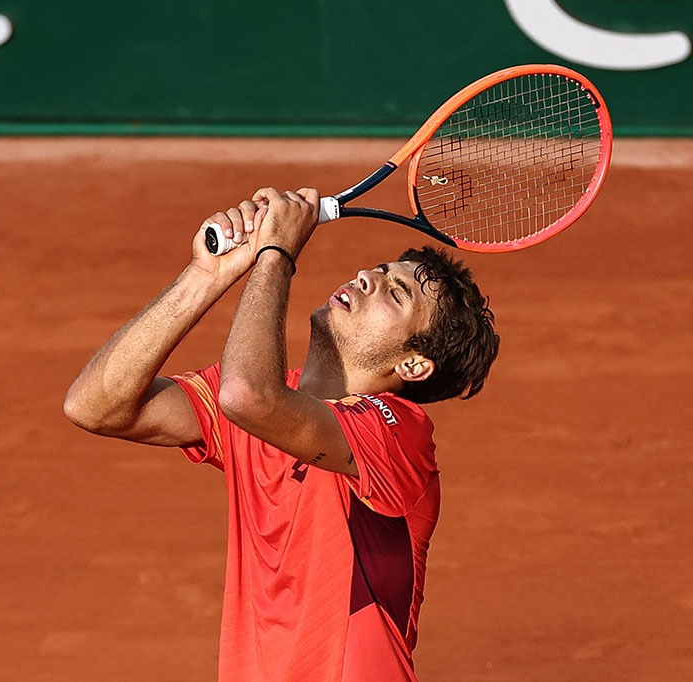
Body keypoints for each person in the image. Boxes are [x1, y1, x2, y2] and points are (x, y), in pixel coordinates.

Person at [63, 186, 499, 681]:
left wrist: (277, 254)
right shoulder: (268, 404)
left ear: (413, 364)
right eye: (378, 272)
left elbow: (249, 396)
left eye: (395, 294)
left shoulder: (397, 432)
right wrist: (206, 276)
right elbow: (95, 406)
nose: (367, 279)